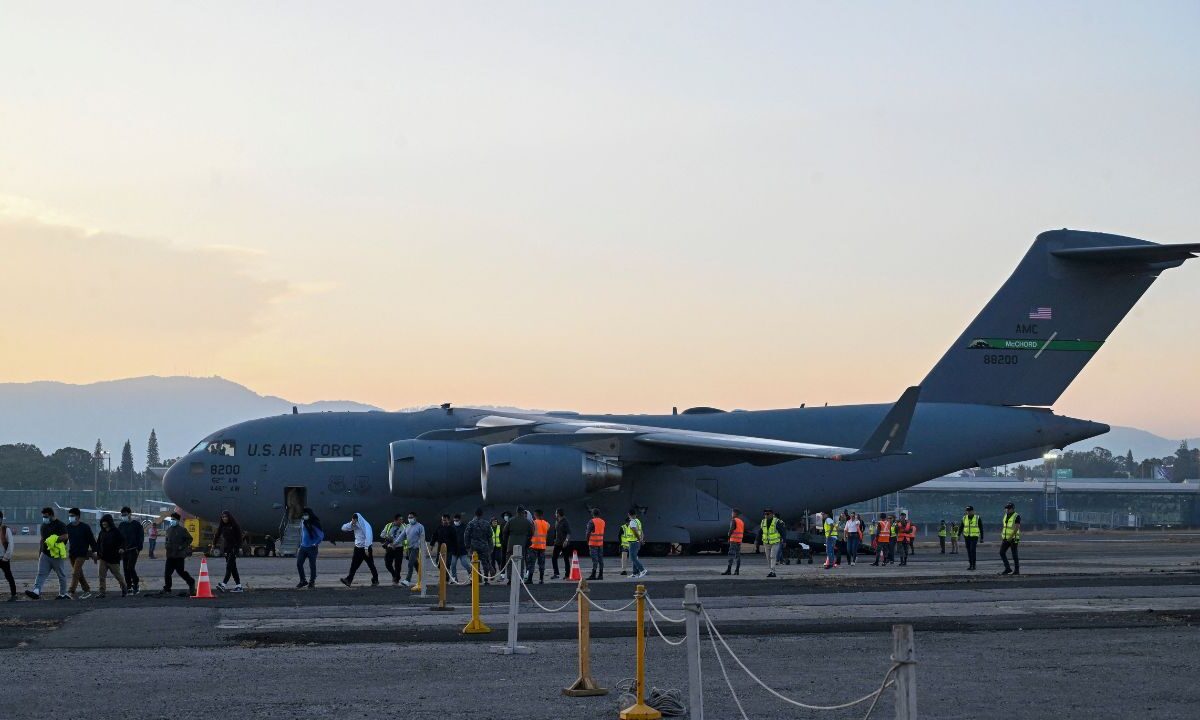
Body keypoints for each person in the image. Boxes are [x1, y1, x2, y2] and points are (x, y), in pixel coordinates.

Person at [26, 507, 69, 600]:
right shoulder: (44, 526)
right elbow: (42, 540)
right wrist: (40, 553)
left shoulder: (60, 525)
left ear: (51, 515)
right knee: (41, 573)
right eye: (43, 516)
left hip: (56, 556)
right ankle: (36, 591)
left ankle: (62, 594)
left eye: (45, 516)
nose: (44, 518)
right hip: (45, 554)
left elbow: (65, 536)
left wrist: (53, 540)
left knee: (61, 575)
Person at [340, 512, 379, 587]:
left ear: (358, 519)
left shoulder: (366, 526)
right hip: (357, 548)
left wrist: (367, 548)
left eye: (355, 520)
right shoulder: (354, 524)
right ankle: (348, 580)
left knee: (371, 565)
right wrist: (351, 523)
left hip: (365, 549)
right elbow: (343, 528)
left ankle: (375, 579)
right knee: (354, 565)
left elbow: (369, 536)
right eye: (353, 520)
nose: (354, 522)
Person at [65, 508, 97, 599]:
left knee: (75, 573)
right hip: (72, 554)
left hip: (82, 554)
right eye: (69, 516)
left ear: (78, 517)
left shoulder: (85, 527)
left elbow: (91, 540)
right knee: (79, 574)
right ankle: (86, 590)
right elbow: (64, 540)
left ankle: (71, 591)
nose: (70, 517)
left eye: (72, 516)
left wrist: (95, 551)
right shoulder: (68, 527)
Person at [94, 514, 128, 598]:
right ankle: (102, 592)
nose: (103, 523)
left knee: (117, 575)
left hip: (113, 559)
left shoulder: (116, 532)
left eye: (105, 522)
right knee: (101, 576)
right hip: (103, 558)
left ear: (109, 522)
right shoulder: (102, 532)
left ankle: (124, 588)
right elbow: (98, 544)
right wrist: (97, 554)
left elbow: (123, 541)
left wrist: (122, 548)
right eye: (102, 522)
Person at [161, 513, 196, 596]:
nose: (172, 521)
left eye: (173, 519)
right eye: (171, 519)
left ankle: (191, 582)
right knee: (167, 573)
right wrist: (166, 545)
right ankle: (167, 588)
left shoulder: (182, 530)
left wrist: (182, 546)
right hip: (170, 555)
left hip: (179, 555)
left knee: (180, 571)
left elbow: (190, 539)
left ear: (177, 520)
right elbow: (167, 540)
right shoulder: (168, 530)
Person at [212, 511, 244, 592]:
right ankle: (239, 586)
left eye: (226, 517)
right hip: (227, 549)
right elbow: (217, 535)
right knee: (233, 568)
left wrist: (239, 547)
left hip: (234, 548)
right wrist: (213, 545)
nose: (224, 518)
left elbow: (240, 537)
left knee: (229, 566)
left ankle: (223, 584)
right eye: (223, 517)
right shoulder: (222, 526)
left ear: (229, 517)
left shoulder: (234, 525)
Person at [501, 506, 532, 585]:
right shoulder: (527, 522)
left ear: (516, 512)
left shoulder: (511, 521)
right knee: (520, 561)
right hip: (522, 543)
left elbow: (504, 531)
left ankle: (510, 578)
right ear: (522, 512)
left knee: (510, 561)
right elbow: (531, 533)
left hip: (511, 543)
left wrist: (506, 541)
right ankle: (520, 578)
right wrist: (527, 542)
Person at [117, 507, 144, 595]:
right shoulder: (121, 525)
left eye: (125, 514)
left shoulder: (136, 525)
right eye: (122, 515)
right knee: (125, 569)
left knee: (130, 567)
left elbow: (141, 537)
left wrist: (138, 548)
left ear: (129, 514)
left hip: (133, 549)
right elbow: (119, 538)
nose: (123, 516)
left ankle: (135, 584)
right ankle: (129, 586)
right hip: (124, 551)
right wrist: (119, 548)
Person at [464, 509, 494, 584]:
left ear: (475, 514)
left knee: (474, 563)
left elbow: (466, 535)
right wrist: (491, 547)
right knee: (485, 563)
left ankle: (476, 579)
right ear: (482, 514)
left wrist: (467, 546)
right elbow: (490, 536)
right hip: (484, 546)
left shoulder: (471, 523)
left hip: (473, 546)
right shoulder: (486, 523)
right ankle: (486, 580)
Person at [296, 507, 324, 588]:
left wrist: (315, 543)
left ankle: (312, 582)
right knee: (299, 564)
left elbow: (321, 535)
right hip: (303, 547)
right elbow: (302, 533)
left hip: (312, 548)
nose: (304, 516)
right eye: (303, 514)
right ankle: (303, 580)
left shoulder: (314, 523)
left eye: (305, 514)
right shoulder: (303, 522)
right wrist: (300, 543)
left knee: (312, 565)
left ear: (309, 514)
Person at [401, 513, 425, 587]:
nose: (409, 518)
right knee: (415, 564)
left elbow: (422, 537)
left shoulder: (420, 526)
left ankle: (408, 580)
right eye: (408, 517)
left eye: (411, 517)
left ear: (415, 517)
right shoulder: (407, 526)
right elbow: (402, 536)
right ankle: (422, 579)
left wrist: (417, 545)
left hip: (416, 548)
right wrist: (395, 543)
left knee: (410, 564)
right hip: (408, 548)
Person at [527, 509, 550, 583]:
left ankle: (530, 579)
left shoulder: (533, 523)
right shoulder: (546, 524)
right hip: (542, 547)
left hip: (533, 546)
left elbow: (530, 532)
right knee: (541, 564)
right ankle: (541, 579)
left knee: (531, 563)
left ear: (535, 515)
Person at [381, 514, 405, 585]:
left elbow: (407, 536)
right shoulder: (389, 525)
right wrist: (387, 537)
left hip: (399, 548)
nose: (401, 521)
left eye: (402, 519)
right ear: (395, 520)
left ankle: (396, 579)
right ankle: (394, 574)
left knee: (398, 565)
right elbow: (382, 534)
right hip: (390, 547)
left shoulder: (404, 526)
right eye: (400, 520)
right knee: (387, 563)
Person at [760, 508, 783, 577]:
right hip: (766, 543)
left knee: (772, 556)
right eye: (765, 514)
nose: (766, 515)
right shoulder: (763, 521)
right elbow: (760, 531)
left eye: (767, 514)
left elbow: (782, 531)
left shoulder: (777, 521)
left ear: (772, 514)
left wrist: (784, 540)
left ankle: (773, 571)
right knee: (768, 558)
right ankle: (771, 571)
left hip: (775, 542)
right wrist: (756, 539)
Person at [999, 502, 1021, 576]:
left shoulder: (1016, 516)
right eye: (1006, 508)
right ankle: (1008, 568)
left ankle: (1017, 570)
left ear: (1012, 509)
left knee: (1014, 554)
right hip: (1006, 538)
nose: (1006, 510)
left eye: (1008, 508)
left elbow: (1016, 527)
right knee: (1001, 552)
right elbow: (1005, 526)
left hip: (1013, 538)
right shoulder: (1005, 515)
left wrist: (1011, 537)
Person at [722, 508, 745, 576]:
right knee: (738, 555)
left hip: (733, 540)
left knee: (731, 555)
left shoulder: (733, 520)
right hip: (739, 540)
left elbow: (731, 529)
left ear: (735, 513)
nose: (731, 514)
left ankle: (728, 570)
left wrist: (728, 537)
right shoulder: (741, 522)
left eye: (732, 513)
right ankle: (737, 571)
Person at [959, 505, 982, 571]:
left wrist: (982, 537)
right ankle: (970, 565)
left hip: (974, 537)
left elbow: (981, 527)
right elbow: (961, 527)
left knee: (972, 550)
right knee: (969, 551)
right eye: (967, 511)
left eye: (969, 511)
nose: (968, 512)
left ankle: (973, 565)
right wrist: (958, 535)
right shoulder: (964, 518)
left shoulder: (977, 518)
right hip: (967, 537)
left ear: (973, 511)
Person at [551, 508, 572, 580]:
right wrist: (554, 539)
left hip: (564, 543)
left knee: (566, 559)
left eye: (556, 513)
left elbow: (569, 532)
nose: (555, 514)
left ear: (558, 514)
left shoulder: (565, 522)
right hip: (557, 542)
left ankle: (567, 574)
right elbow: (556, 531)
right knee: (554, 558)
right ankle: (556, 573)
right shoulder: (557, 521)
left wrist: (566, 541)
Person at [450, 513, 471, 584]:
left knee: (465, 563)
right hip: (454, 550)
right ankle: (454, 578)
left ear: (460, 520)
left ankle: (471, 575)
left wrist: (468, 546)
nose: (455, 521)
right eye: (454, 520)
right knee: (452, 564)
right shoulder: (452, 527)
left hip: (462, 550)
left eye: (457, 520)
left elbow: (468, 537)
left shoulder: (464, 527)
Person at [626, 508, 647, 578]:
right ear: (636, 514)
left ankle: (642, 570)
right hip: (636, 542)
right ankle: (635, 573)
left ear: (628, 514)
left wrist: (640, 540)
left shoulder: (632, 522)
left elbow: (635, 532)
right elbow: (641, 531)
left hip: (633, 542)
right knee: (634, 557)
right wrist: (641, 539)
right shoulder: (638, 521)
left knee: (632, 558)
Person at [0, 510, 16, 601]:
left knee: (9, 576)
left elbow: (11, 544)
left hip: (4, 558)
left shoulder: (6, 529)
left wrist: (6, 557)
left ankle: (14, 595)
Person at [585, 509, 605, 580]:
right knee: (600, 559)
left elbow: (588, 533)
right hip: (600, 543)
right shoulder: (603, 521)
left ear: (593, 514)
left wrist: (587, 541)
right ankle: (601, 575)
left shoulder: (591, 521)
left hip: (593, 543)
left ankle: (593, 574)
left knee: (595, 560)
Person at [490, 516, 506, 582]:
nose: (495, 522)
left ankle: (502, 574)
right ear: (491, 522)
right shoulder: (489, 528)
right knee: (492, 562)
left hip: (499, 547)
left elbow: (502, 536)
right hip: (491, 548)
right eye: (493, 521)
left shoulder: (500, 527)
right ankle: (492, 575)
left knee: (499, 560)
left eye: (496, 521)